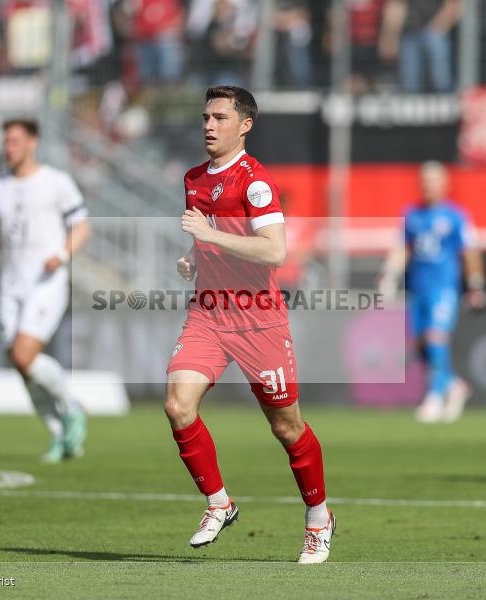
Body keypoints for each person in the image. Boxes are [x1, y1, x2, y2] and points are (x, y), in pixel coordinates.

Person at [166, 86, 335, 564]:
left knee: (286, 427)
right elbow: (209, 237)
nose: (209, 125)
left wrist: (209, 235)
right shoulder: (194, 179)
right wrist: (194, 256)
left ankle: (318, 517)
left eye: (220, 117)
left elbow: (274, 250)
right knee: (178, 405)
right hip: (208, 314)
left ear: (245, 126)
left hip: (258, 321)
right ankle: (219, 502)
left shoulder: (255, 181)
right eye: (206, 116)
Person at [0, 118, 90, 463]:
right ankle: (60, 436)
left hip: (46, 281)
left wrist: (62, 255)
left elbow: (81, 227)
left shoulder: (56, 182)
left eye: (15, 141)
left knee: (23, 355)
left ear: (33, 143)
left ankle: (71, 408)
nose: (8, 147)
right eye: (6, 141)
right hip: (10, 284)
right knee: (21, 366)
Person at [380, 161, 486, 423]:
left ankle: (435, 396)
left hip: (445, 287)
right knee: (421, 346)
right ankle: (454, 385)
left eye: (433, 181)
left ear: (445, 184)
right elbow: (402, 249)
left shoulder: (456, 216)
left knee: (436, 337)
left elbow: (470, 251)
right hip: (418, 289)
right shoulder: (411, 215)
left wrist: (475, 284)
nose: (428, 186)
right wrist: (389, 276)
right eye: (425, 182)